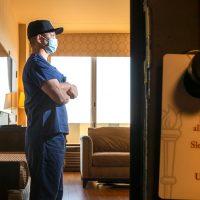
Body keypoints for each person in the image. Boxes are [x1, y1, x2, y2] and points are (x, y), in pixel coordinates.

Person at [22, 20, 78, 200]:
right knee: (46, 192)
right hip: (45, 136)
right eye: (52, 35)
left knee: (55, 190)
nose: (55, 40)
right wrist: (66, 85)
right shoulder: (37, 64)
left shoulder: (49, 67)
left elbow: (74, 92)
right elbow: (61, 97)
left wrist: (63, 86)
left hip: (55, 134)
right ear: (40, 38)